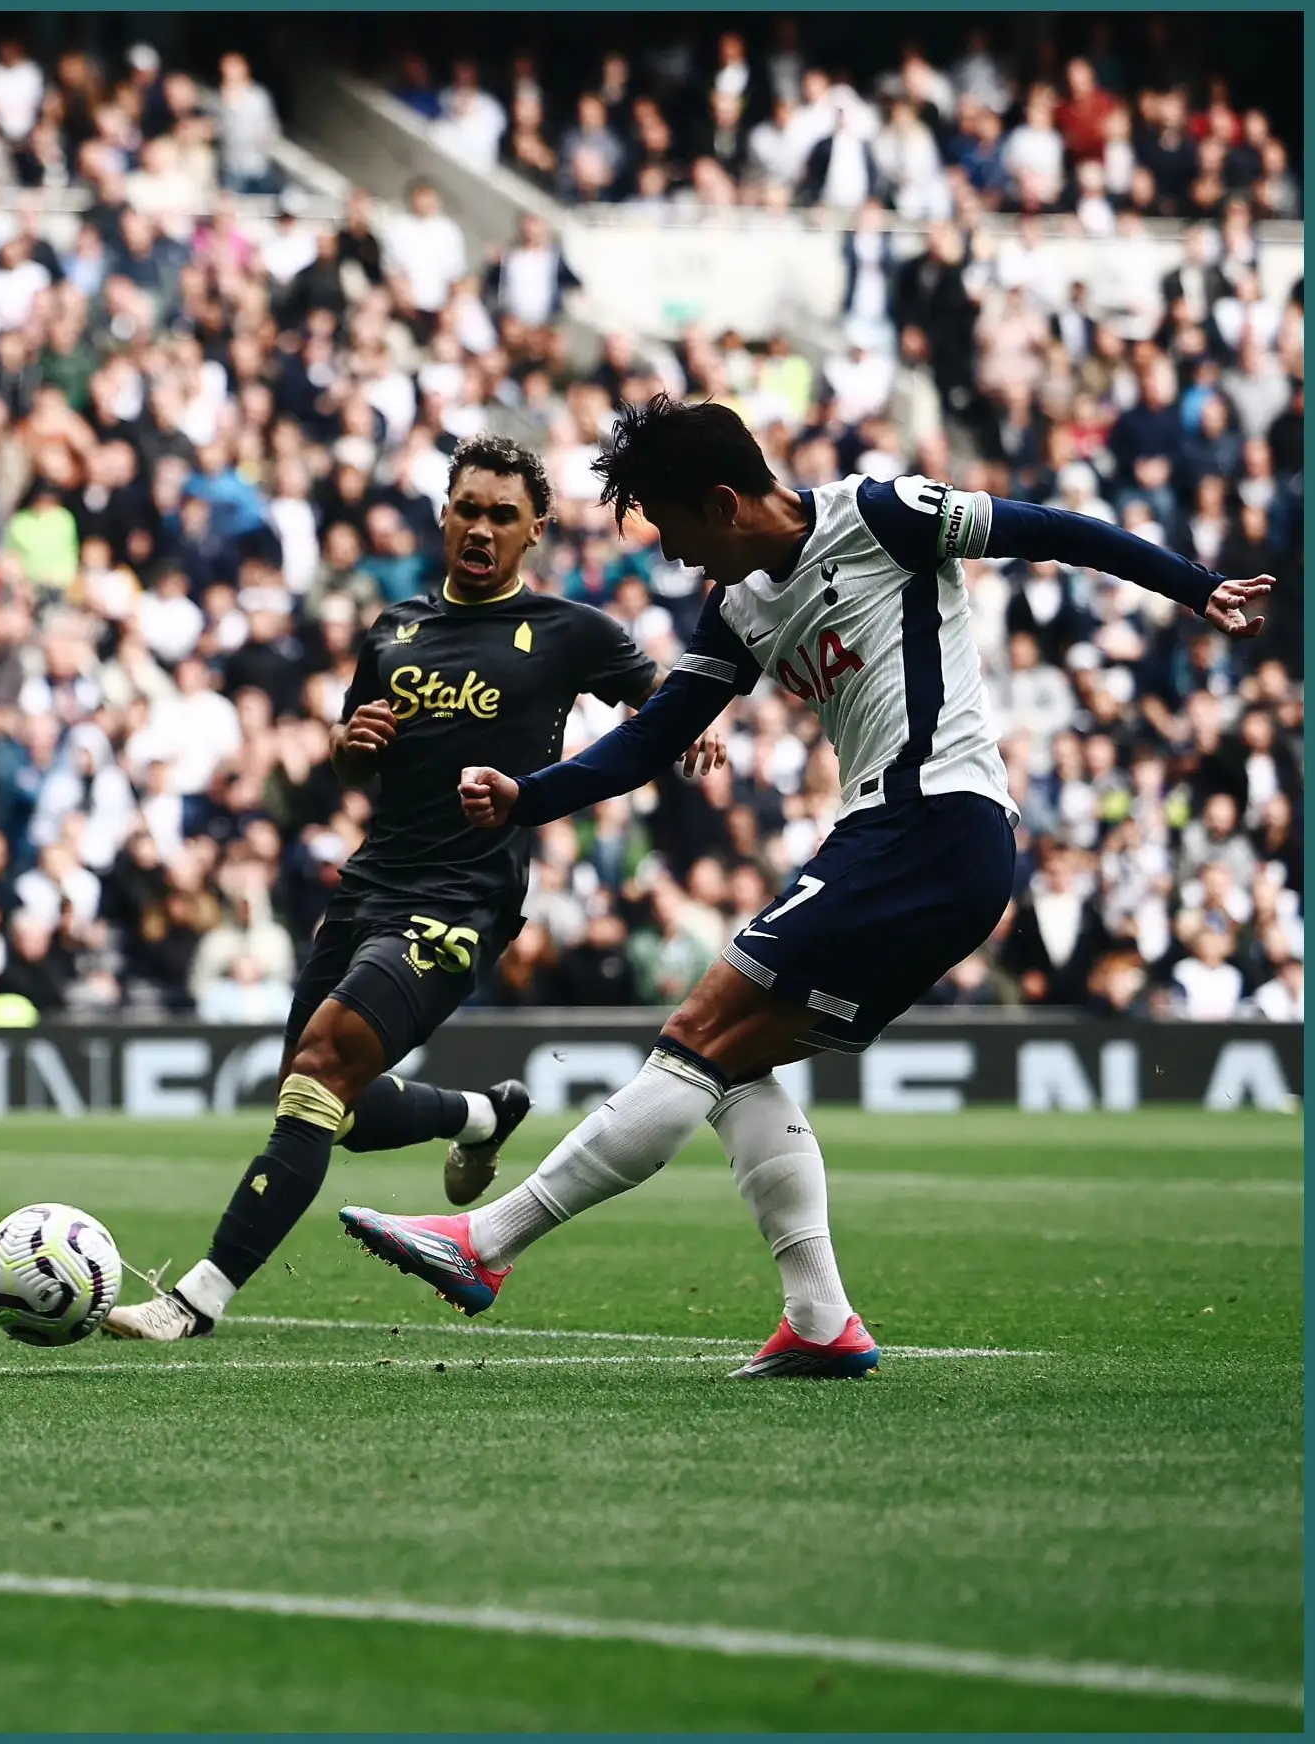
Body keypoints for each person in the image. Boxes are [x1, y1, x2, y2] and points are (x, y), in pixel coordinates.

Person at [338, 395, 1274, 1380]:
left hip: (932, 822)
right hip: (908, 844)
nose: (670, 554)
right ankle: (819, 1317)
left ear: (727, 501)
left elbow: (1048, 529)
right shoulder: (738, 606)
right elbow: (657, 735)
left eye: (672, 524)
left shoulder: (883, 515)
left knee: (695, 1032)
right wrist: (527, 796)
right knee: (728, 1060)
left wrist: (1194, 586)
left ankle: (486, 1242)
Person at [104, 434, 723, 1341]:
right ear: (444, 515)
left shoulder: (569, 633)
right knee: (326, 1104)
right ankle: (483, 1114)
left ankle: (196, 1298)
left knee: (320, 1073)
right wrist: (348, 746)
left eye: (502, 515)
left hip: (463, 898)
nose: (481, 528)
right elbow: (358, 763)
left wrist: (692, 729)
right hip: (368, 886)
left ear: (535, 531)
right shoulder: (394, 628)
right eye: (468, 509)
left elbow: (659, 694)